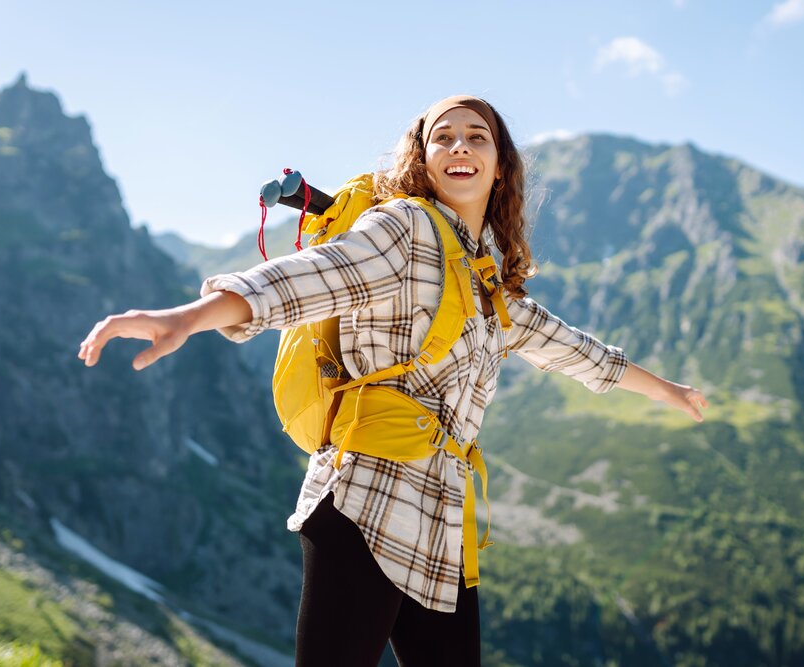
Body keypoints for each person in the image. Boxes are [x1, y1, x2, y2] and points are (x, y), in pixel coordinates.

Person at [78, 95, 707, 666]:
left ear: (501, 168)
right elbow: (309, 277)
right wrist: (187, 318)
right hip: (365, 495)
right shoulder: (402, 227)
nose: (460, 145)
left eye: (478, 137)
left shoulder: (492, 285)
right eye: (444, 137)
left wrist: (668, 392)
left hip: (442, 518)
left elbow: (578, 351)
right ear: (425, 160)